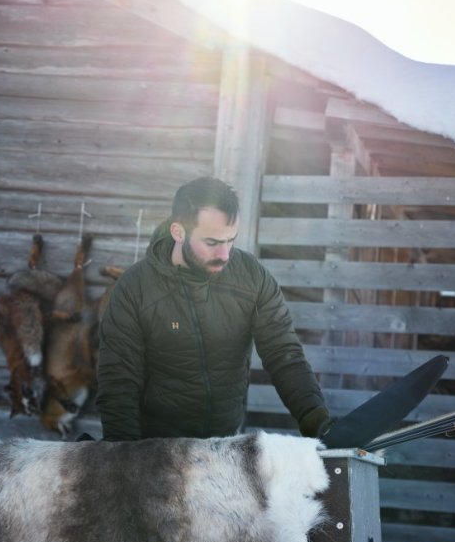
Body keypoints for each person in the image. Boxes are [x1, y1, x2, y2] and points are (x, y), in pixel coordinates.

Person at [97, 177, 330, 441]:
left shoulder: (252, 277)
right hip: (156, 448)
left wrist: (315, 417)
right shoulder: (134, 288)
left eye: (230, 240)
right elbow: (118, 380)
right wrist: (126, 458)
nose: (225, 254)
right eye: (212, 242)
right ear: (178, 231)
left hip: (225, 444)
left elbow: (283, 352)